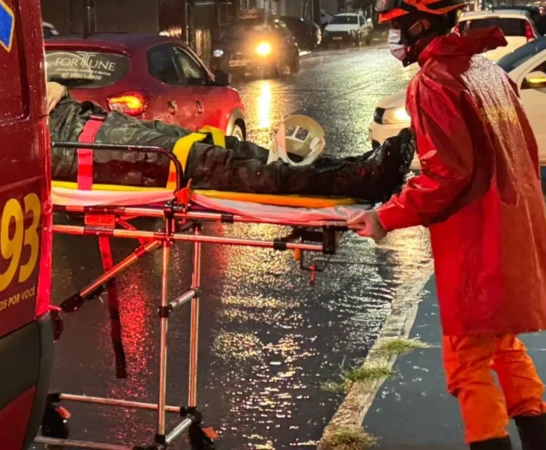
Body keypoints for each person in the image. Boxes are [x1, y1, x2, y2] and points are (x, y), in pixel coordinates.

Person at [348, 1, 546, 449]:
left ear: (422, 23)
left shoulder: (434, 82)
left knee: (467, 362)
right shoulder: (486, 70)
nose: (394, 37)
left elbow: (447, 176)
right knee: (504, 348)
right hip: (510, 229)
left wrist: (384, 217)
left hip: (474, 240)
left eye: (398, 27)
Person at [45, 82, 415, 203]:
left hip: (77, 120)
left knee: (220, 146)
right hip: (66, 143)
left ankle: (347, 166)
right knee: (208, 162)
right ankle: (351, 180)